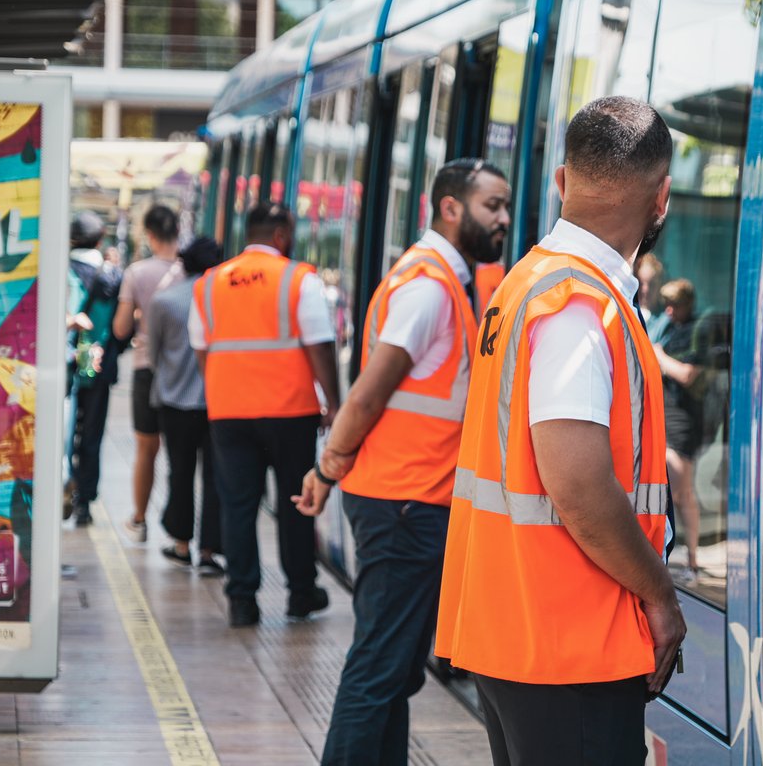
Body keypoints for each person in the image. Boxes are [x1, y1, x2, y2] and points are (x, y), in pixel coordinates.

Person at [434, 97, 686, 765]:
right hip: (568, 643)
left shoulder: (528, 281)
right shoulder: (579, 306)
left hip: (516, 625)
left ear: (562, 180)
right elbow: (576, 484)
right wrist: (660, 595)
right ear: (661, 198)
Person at [293, 158, 511, 766]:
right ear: (450, 207)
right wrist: (327, 469)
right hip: (404, 503)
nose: (503, 218)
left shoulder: (446, 281)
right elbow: (367, 394)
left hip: (413, 498)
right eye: (492, 205)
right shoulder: (429, 287)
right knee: (379, 669)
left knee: (395, 671)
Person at [190, 203, 340, 627]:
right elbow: (320, 343)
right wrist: (334, 402)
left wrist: (224, 390)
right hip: (291, 411)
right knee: (297, 501)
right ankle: (301, 593)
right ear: (280, 235)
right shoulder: (298, 279)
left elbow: (201, 349)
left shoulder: (209, 284)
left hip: (229, 413)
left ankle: (242, 600)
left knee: (238, 504)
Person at [144, 237, 224, 574]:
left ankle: (181, 544)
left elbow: (154, 354)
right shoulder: (224, 300)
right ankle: (209, 551)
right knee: (215, 476)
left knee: (180, 472)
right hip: (217, 402)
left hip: (175, 401)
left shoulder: (164, 301)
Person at [113, 205, 182, 543]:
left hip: (146, 368)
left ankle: (140, 520)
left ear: (150, 235)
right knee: (181, 454)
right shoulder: (190, 272)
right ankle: (182, 536)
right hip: (185, 372)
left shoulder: (137, 273)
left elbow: (120, 328)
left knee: (146, 448)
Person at [66, 211, 123, 528]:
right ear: (100, 240)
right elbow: (122, 329)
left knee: (62, 431)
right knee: (92, 434)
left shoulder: (61, 270)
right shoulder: (112, 276)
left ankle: (63, 484)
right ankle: (84, 501)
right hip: (99, 367)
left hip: (64, 364)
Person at [653, 278, 703, 578]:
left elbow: (687, 374)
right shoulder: (671, 328)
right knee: (676, 492)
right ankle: (685, 559)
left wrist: (658, 356)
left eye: (675, 305)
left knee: (682, 493)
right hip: (667, 416)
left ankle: (692, 561)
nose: (669, 311)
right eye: (666, 305)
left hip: (683, 421)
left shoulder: (697, 331)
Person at [636, 252, 669, 343]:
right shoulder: (624, 311)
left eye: (652, 284)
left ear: (660, 286)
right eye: (640, 283)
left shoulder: (665, 322)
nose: (645, 290)